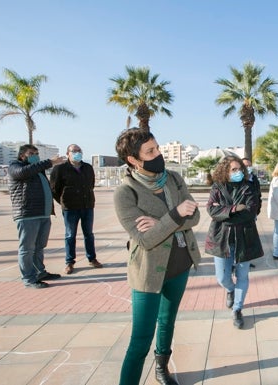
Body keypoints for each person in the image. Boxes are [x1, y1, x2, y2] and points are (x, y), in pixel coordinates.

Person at [113, 128, 201, 385]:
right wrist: (175, 216)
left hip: (181, 263)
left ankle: (162, 368)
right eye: (150, 151)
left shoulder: (173, 178)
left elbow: (194, 216)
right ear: (133, 160)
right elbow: (145, 239)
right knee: (140, 338)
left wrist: (161, 222)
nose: (158, 154)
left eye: (158, 148)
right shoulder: (125, 193)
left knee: (167, 323)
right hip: (148, 273)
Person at [205, 155, 263, 329]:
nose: (238, 172)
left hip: (245, 237)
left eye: (240, 169)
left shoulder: (248, 187)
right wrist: (234, 209)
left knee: (243, 276)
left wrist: (225, 213)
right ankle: (230, 290)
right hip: (221, 239)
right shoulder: (217, 187)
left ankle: (237, 309)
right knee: (222, 277)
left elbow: (251, 212)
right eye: (234, 170)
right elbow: (211, 210)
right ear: (225, 171)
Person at [8, 144, 65, 288]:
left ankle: (40, 272)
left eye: (37, 153)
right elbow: (22, 172)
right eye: (31, 153)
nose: (35, 155)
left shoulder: (39, 170)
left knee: (39, 246)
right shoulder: (15, 166)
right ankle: (29, 278)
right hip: (27, 214)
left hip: (43, 214)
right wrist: (50, 162)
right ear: (22, 155)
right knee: (27, 248)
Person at [50, 144, 102, 274]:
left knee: (89, 234)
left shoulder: (88, 168)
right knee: (70, 235)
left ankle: (92, 258)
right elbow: (54, 189)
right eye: (74, 151)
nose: (77, 153)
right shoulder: (60, 169)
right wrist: (64, 201)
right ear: (68, 153)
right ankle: (69, 262)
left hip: (87, 206)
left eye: (79, 151)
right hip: (70, 208)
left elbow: (91, 184)